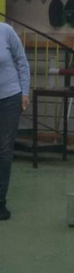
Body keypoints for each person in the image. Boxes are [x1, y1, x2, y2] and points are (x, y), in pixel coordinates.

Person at [0, 22, 30, 221]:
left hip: (9, 98)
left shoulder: (6, 31)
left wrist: (25, 92)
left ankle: (0, 201)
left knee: (4, 150)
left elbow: (22, 62)